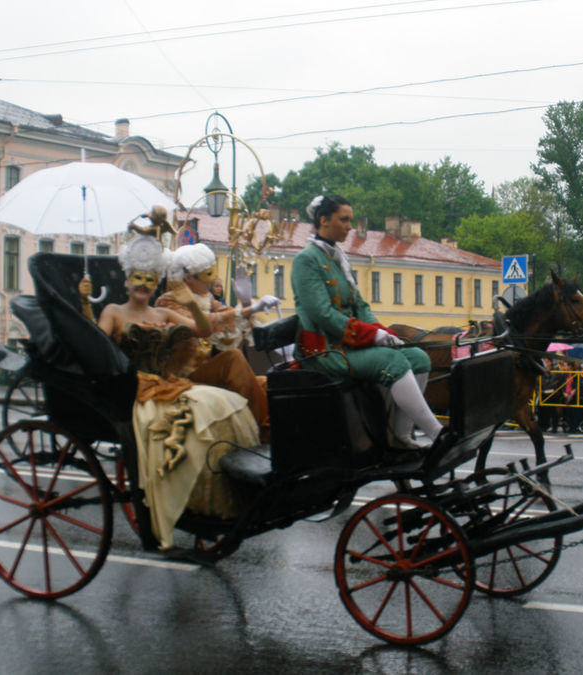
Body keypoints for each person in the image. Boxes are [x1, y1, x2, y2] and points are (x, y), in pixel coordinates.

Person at [80, 232, 260, 550]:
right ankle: (178, 495)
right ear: (126, 281)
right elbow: (94, 346)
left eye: (150, 279)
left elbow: (203, 330)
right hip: (137, 389)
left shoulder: (162, 314)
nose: (143, 284)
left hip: (170, 384)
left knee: (222, 402)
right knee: (199, 412)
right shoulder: (113, 311)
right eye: (137, 278)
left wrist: (191, 303)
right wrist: (85, 303)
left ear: (156, 282)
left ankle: (212, 495)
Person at [290, 194, 443, 451]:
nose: (350, 226)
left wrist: (383, 333)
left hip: (349, 345)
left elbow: (360, 306)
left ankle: (402, 436)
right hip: (325, 351)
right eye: (344, 219)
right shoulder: (306, 260)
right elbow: (322, 314)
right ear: (324, 220)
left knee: (418, 357)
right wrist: (371, 337)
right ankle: (437, 433)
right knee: (392, 362)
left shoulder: (337, 257)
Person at [155, 243, 278, 441]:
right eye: (207, 275)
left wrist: (247, 303)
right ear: (188, 277)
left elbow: (229, 319)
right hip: (184, 377)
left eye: (212, 274)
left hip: (206, 370)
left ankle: (279, 428)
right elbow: (210, 325)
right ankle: (267, 433)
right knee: (232, 360)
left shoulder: (208, 298)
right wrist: (251, 309)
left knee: (265, 383)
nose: (211, 282)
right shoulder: (168, 301)